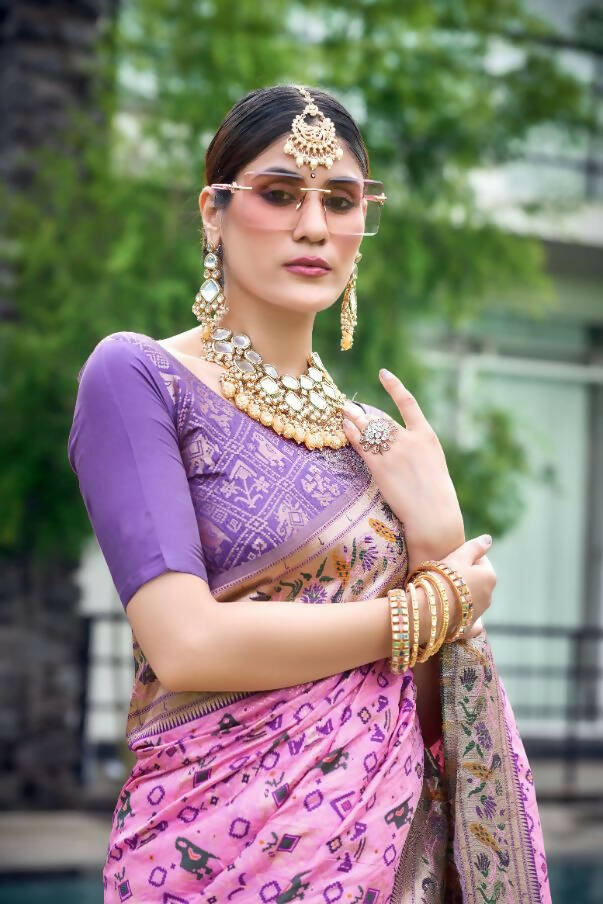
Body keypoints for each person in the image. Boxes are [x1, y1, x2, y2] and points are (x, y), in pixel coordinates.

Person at [67, 84, 551, 903]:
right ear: (213, 213)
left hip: (379, 856)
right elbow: (185, 643)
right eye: (281, 193)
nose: (314, 227)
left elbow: (425, 719)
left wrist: (438, 538)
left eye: (341, 199)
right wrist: (432, 605)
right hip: (205, 846)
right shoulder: (139, 377)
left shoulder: (376, 441)